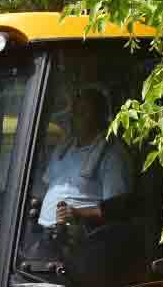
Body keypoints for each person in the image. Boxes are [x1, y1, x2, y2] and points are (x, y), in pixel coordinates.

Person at [36, 86, 132, 229]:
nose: (74, 118)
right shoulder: (63, 148)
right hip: (45, 234)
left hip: (81, 241)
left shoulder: (111, 155)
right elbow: (46, 187)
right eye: (74, 112)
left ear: (99, 117)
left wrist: (79, 214)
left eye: (82, 113)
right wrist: (37, 203)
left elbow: (117, 209)